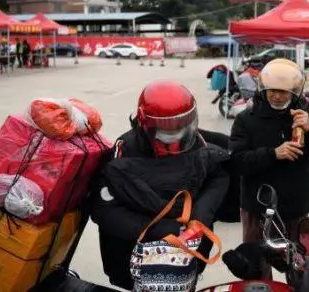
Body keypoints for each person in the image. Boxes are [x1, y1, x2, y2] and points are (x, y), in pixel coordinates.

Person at [91, 80, 231, 290]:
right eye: (166, 130)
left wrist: (200, 217)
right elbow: (103, 210)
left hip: (188, 252)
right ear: (145, 124)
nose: (175, 135)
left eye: (182, 126)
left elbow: (218, 178)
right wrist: (157, 229)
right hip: (138, 255)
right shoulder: (123, 152)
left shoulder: (198, 144)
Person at [230, 58, 309, 280]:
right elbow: (236, 162)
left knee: (301, 269)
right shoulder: (246, 120)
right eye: (272, 91)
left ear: (295, 92)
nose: (277, 96)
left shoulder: (306, 116)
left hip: (296, 209)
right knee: (256, 270)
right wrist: (273, 154)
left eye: (284, 92)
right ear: (263, 89)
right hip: (257, 209)